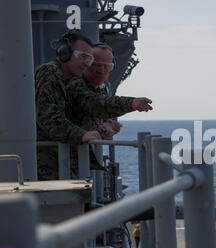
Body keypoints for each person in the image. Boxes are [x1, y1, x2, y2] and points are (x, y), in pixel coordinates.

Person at [35, 31, 152, 180]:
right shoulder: (58, 76)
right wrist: (132, 103)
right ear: (64, 53)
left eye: (107, 66)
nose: (100, 70)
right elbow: (53, 117)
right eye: (85, 58)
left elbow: (77, 119)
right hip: (49, 167)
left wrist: (102, 130)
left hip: (65, 165)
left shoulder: (74, 81)